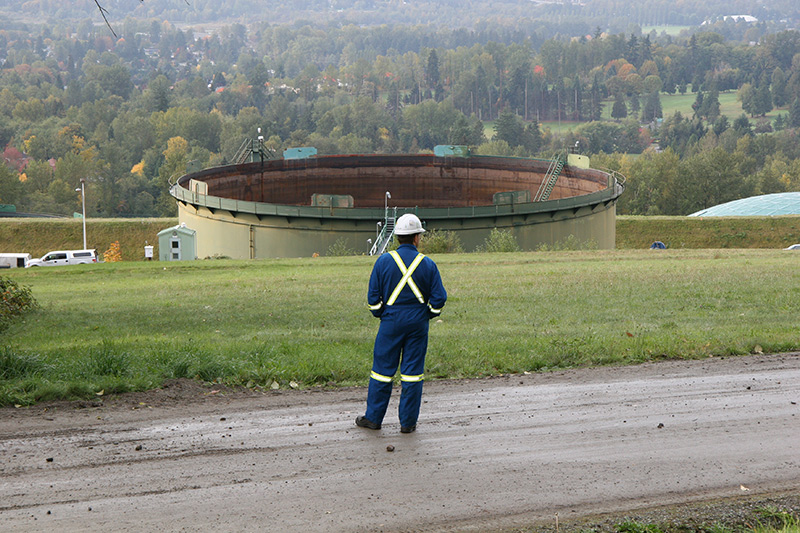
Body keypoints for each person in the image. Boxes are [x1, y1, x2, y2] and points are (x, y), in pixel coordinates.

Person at [356, 213, 447, 433]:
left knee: (382, 371)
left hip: (390, 321)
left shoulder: (384, 261)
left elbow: (372, 298)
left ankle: (374, 419)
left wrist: (381, 314)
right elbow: (439, 298)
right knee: (412, 373)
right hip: (418, 322)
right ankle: (408, 423)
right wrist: (429, 314)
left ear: (397, 237)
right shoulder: (428, 264)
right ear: (417, 238)